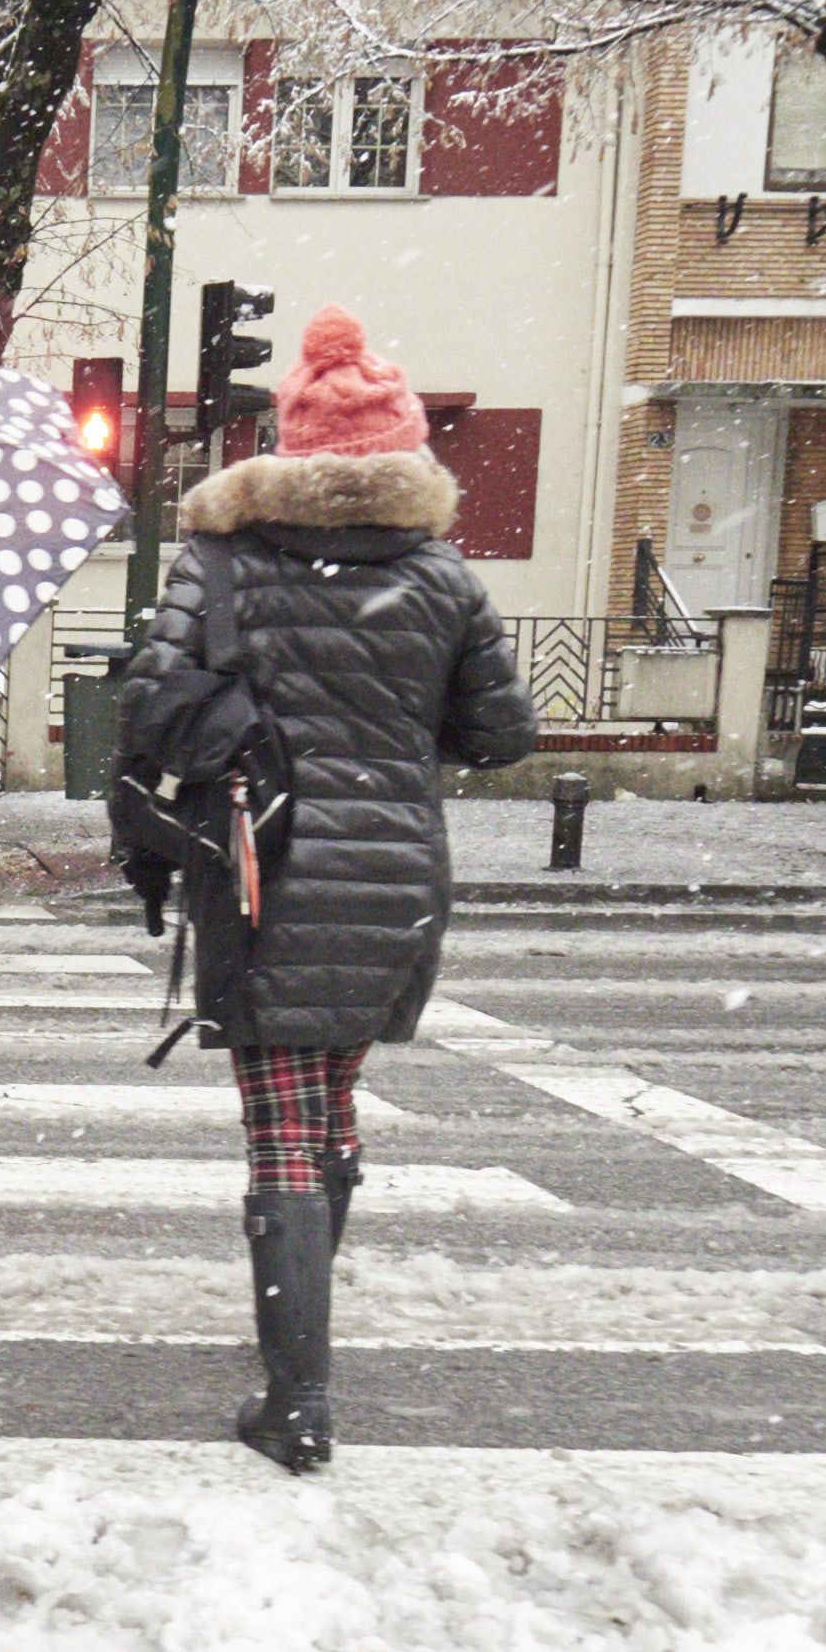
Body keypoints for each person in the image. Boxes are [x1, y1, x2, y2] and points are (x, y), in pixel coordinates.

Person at [122, 304, 534, 1473]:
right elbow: (502, 733)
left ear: (290, 450)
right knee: (327, 1109)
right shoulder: (444, 575)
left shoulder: (223, 563)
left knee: (284, 1130)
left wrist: (243, 716)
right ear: (404, 456)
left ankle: (297, 1392)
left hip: (268, 867)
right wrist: (396, 717)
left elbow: (151, 701)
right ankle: (297, 1336)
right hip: (395, 872)